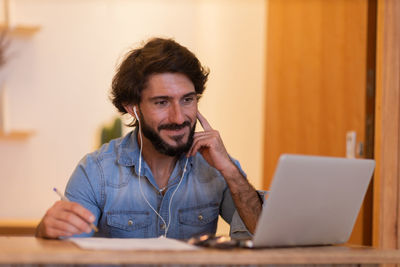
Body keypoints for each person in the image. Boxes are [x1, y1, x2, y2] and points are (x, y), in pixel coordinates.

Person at [35, 38, 262, 239]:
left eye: (187, 100)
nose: (179, 117)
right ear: (132, 108)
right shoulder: (96, 171)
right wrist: (48, 231)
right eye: (162, 102)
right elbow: (67, 250)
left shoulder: (216, 167)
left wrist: (231, 171)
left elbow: (263, 233)